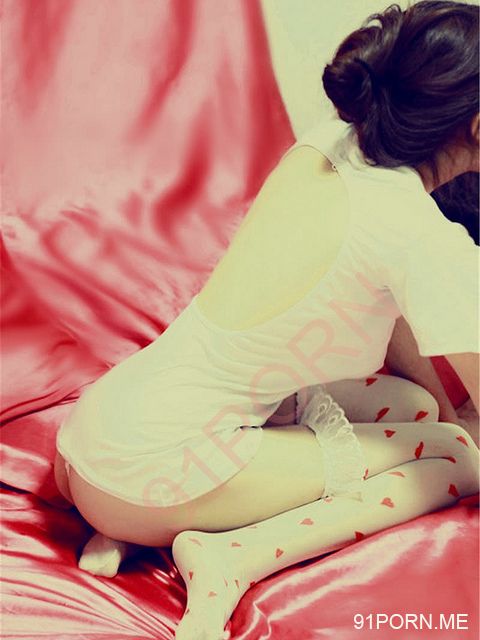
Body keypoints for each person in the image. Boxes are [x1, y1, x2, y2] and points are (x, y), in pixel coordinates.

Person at [53, 2, 480, 639]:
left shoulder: (334, 142)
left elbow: (403, 321)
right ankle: (230, 555)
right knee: (458, 455)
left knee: (418, 408)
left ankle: (134, 525)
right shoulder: (421, 237)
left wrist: (448, 410)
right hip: (151, 471)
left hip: (98, 431)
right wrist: (461, 430)